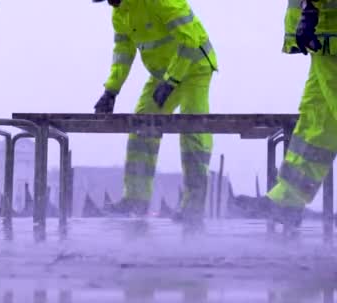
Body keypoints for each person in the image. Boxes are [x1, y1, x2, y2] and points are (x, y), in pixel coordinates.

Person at [93, 0, 217, 226]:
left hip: (194, 68)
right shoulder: (120, 14)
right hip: (163, 75)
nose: (109, 3)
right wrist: (111, 91)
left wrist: (172, 81)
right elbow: (123, 53)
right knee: (141, 127)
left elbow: (189, 40)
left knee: (193, 132)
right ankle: (136, 199)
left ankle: (193, 206)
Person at [235, 0, 335, 227]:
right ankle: (288, 201)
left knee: (319, 122)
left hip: (329, 34)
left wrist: (310, 9)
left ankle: (288, 202)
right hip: (324, 38)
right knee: (316, 125)